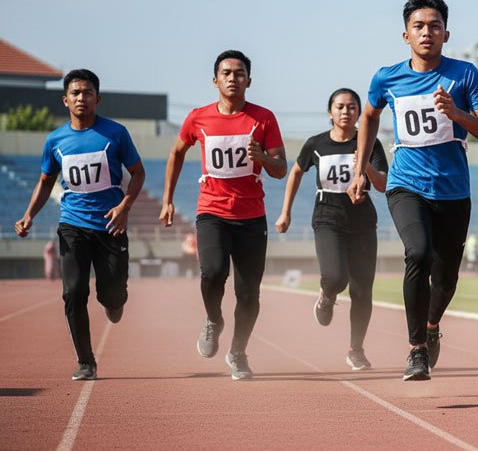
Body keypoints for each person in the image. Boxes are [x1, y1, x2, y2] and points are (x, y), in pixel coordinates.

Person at [348, 0, 478, 381]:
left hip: (452, 191)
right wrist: (360, 168)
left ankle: (432, 326)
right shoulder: (387, 77)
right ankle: (416, 349)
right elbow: (369, 116)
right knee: (417, 253)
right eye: (418, 26)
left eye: (435, 26)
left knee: (445, 279)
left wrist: (457, 113)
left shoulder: (464, 75)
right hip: (406, 184)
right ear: (406, 35)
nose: (426, 32)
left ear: (446, 34)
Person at [159, 50, 287, 380]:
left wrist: (263, 157)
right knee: (213, 272)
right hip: (212, 211)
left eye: (239, 73)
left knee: (249, 293)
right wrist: (168, 199)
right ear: (215, 80)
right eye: (227, 73)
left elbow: (280, 169)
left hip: (251, 216)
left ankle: (238, 352)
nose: (233, 78)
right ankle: (213, 320)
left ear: (249, 80)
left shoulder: (264, 118)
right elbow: (176, 152)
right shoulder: (198, 118)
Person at [14, 69, 146, 380]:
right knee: (73, 292)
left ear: (98, 98)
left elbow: (138, 173)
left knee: (112, 295)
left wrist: (124, 206)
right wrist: (29, 215)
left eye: (87, 92)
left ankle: (113, 303)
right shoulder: (55, 140)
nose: (81, 98)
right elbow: (46, 181)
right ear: (65, 100)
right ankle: (86, 361)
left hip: (110, 225)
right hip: (72, 224)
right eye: (75, 93)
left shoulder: (115, 133)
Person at [275, 88, 388, 371]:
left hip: (362, 221)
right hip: (328, 217)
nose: (346, 112)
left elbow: (383, 184)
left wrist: (365, 167)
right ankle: (327, 296)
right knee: (336, 277)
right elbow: (296, 172)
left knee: (362, 291)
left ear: (359, 112)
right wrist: (286, 212)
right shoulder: (316, 144)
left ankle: (356, 350)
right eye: (340, 106)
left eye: (352, 107)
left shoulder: (370, 143)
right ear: (330, 111)